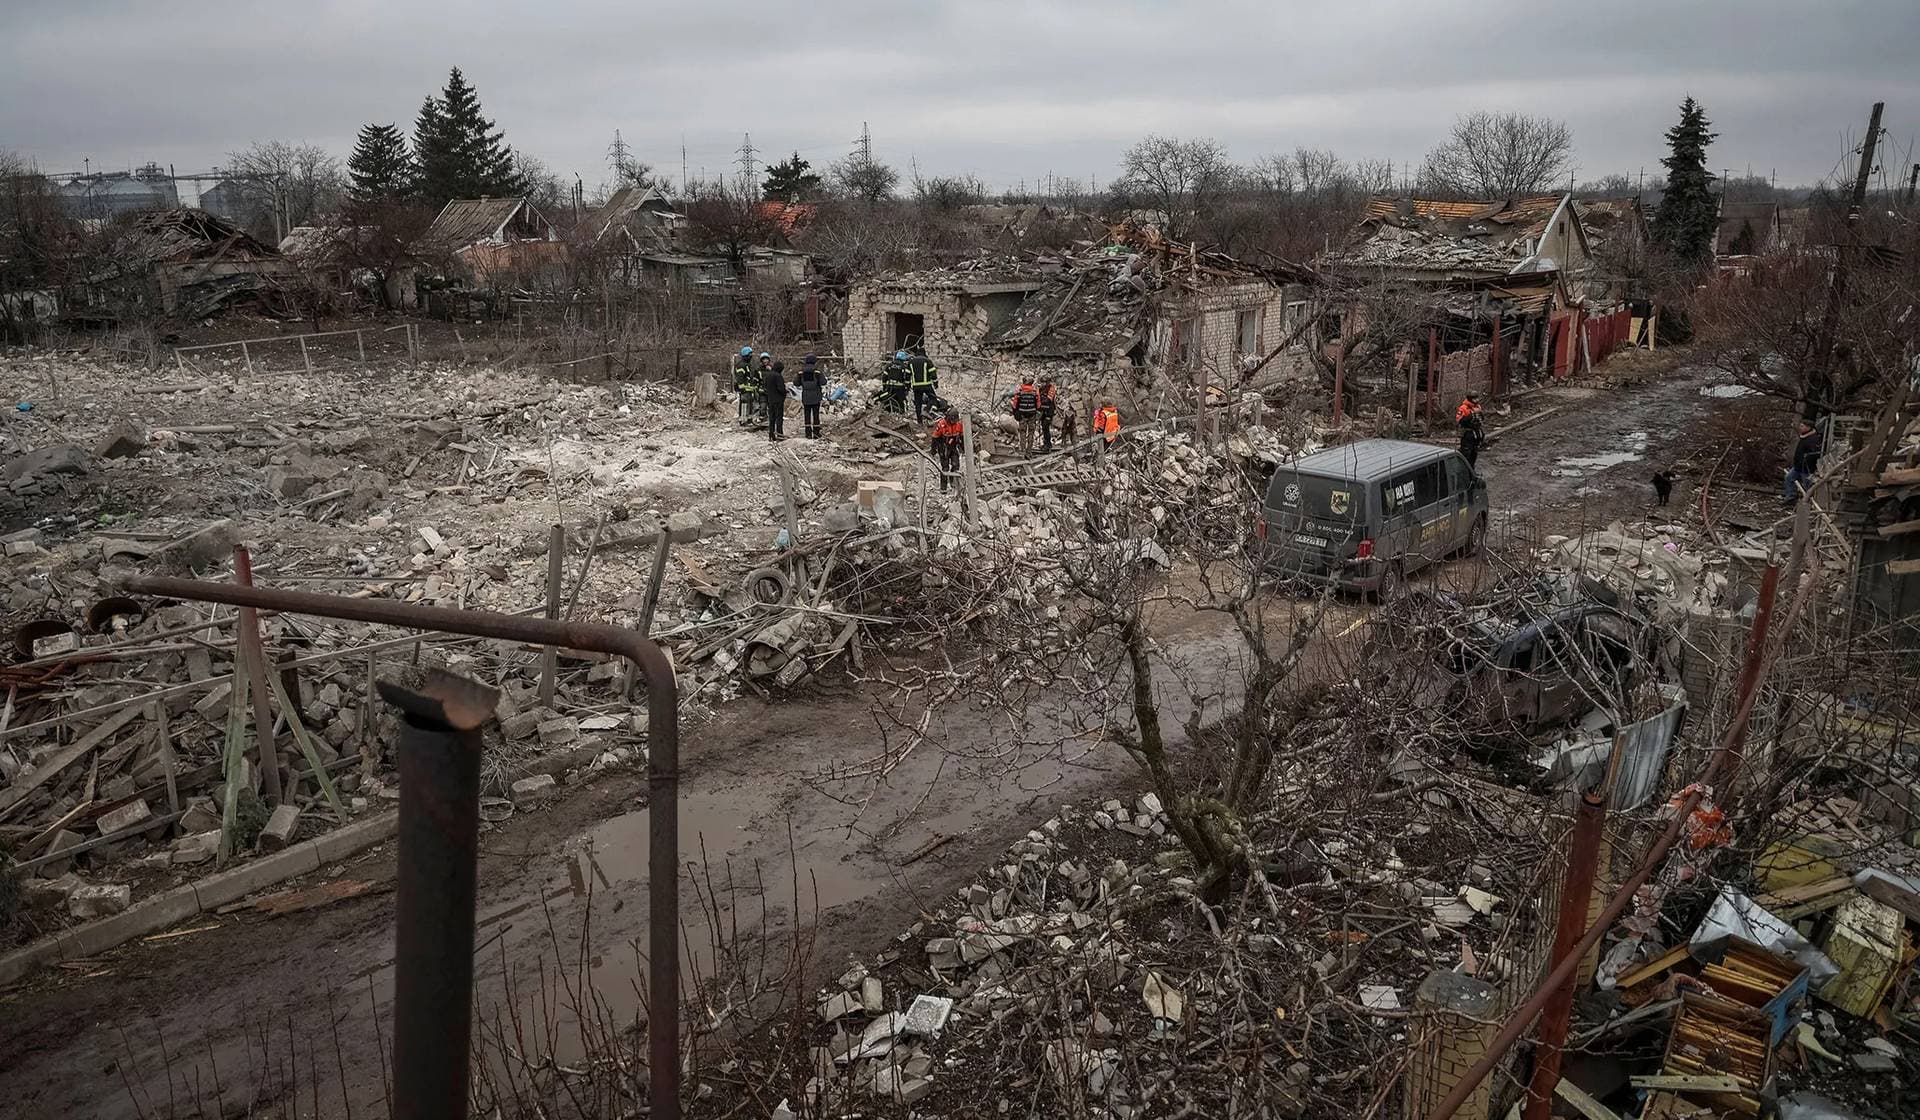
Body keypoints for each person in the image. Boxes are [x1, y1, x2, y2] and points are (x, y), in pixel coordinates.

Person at [1784, 420, 1822, 502]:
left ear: (1808, 427)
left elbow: (1816, 453)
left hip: (1807, 468)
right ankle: (1791, 497)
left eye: (1802, 426)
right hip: (1798, 466)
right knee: (1789, 478)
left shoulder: (1813, 439)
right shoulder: (1804, 436)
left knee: (1807, 485)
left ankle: (1809, 501)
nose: (1800, 428)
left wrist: (1807, 457)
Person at [930, 407, 964, 492]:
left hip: (954, 447)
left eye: (955, 420)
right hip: (943, 448)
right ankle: (943, 488)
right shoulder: (942, 424)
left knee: (956, 466)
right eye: (952, 420)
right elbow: (935, 438)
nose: (954, 422)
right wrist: (933, 450)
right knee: (945, 468)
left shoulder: (959, 424)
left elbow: (961, 437)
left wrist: (963, 448)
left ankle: (953, 482)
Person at [1010, 376, 1041, 454]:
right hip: (1032, 415)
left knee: (1022, 432)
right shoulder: (1035, 392)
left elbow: (1014, 405)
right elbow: (1038, 405)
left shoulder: (1019, 392)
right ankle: (1029, 450)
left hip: (1022, 415)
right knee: (1031, 432)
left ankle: (1023, 450)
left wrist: (1015, 412)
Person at [797, 354, 825, 439]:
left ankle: (808, 433)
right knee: (816, 415)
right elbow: (823, 382)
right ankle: (816, 433)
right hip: (816, 396)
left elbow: (796, 383)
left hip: (806, 396)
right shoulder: (817, 372)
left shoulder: (801, 372)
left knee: (807, 415)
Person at [909, 350, 941, 423]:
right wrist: (935, 384)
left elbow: (907, 374)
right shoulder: (927, 361)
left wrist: (907, 385)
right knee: (933, 398)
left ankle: (919, 421)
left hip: (916, 386)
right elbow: (933, 374)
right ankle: (926, 410)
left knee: (918, 403)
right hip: (926, 385)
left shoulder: (911, 362)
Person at [1456, 393, 1485, 469]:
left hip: (1477, 432)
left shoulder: (1478, 406)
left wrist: (1480, 414)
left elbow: (1482, 419)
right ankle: (1463, 469)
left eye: (1477, 398)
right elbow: (1459, 420)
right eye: (1475, 399)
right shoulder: (1463, 408)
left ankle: (1471, 468)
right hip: (1468, 433)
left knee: (1474, 452)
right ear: (1470, 399)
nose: (1477, 400)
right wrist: (1471, 415)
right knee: (1466, 452)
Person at [763, 360, 787, 441]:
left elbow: (765, 387)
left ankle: (771, 435)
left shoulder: (768, 375)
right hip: (778, 399)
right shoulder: (778, 376)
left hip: (770, 399)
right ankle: (779, 434)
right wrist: (785, 392)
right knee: (779, 418)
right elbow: (781, 388)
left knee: (771, 418)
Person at [733, 346, 756, 425]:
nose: (750, 357)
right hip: (744, 389)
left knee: (750, 404)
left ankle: (749, 420)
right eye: (749, 355)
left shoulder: (747, 365)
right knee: (744, 404)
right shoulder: (741, 365)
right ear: (745, 355)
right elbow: (740, 377)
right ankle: (743, 420)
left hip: (749, 389)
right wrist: (741, 388)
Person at [882, 350, 910, 414]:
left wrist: (884, 386)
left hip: (890, 387)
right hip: (899, 388)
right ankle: (901, 414)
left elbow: (884, 376)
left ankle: (888, 413)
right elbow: (906, 378)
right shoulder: (903, 367)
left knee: (889, 400)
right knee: (900, 401)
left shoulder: (890, 365)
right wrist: (907, 388)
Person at [1037, 377, 1059, 452]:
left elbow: (1049, 399)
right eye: (1042, 382)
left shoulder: (1051, 388)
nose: (1042, 384)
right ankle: (1045, 443)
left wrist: (1040, 402)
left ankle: (1048, 444)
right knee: (1043, 427)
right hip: (1042, 411)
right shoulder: (1040, 389)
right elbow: (1037, 398)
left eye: (1044, 382)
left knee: (1046, 427)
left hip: (1049, 411)